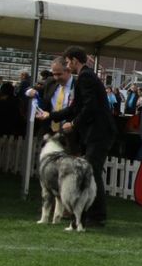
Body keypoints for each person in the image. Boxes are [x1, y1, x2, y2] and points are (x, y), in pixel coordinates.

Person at [38, 46, 117, 227]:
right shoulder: (85, 77)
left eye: (67, 62)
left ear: (74, 60)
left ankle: (96, 216)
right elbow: (76, 107)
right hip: (97, 133)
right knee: (91, 171)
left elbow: (89, 107)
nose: (67, 66)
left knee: (92, 172)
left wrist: (73, 124)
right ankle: (92, 215)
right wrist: (52, 115)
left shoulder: (85, 77)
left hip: (99, 133)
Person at [25, 56, 75, 134]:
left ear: (69, 70)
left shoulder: (78, 86)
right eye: (54, 74)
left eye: (59, 74)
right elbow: (31, 88)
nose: (56, 77)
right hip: (48, 132)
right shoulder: (50, 82)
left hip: (69, 133)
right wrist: (30, 91)